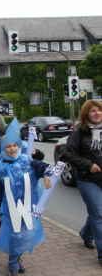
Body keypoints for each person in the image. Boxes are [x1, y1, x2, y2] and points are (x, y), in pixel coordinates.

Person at [0, 126, 52, 276]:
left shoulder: (27, 161)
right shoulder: (0, 167)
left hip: (28, 205)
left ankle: (17, 259)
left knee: (25, 234)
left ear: (19, 146)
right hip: (11, 208)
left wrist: (48, 175)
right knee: (14, 235)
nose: (12, 149)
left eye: (14, 145)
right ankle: (12, 265)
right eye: (8, 146)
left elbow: (43, 167)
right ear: (2, 149)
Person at [65, 99, 102, 265]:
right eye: (93, 111)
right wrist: (88, 165)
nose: (97, 113)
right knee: (99, 215)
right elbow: (70, 155)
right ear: (86, 114)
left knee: (97, 214)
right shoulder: (79, 133)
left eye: (99, 110)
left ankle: (86, 234)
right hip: (87, 179)